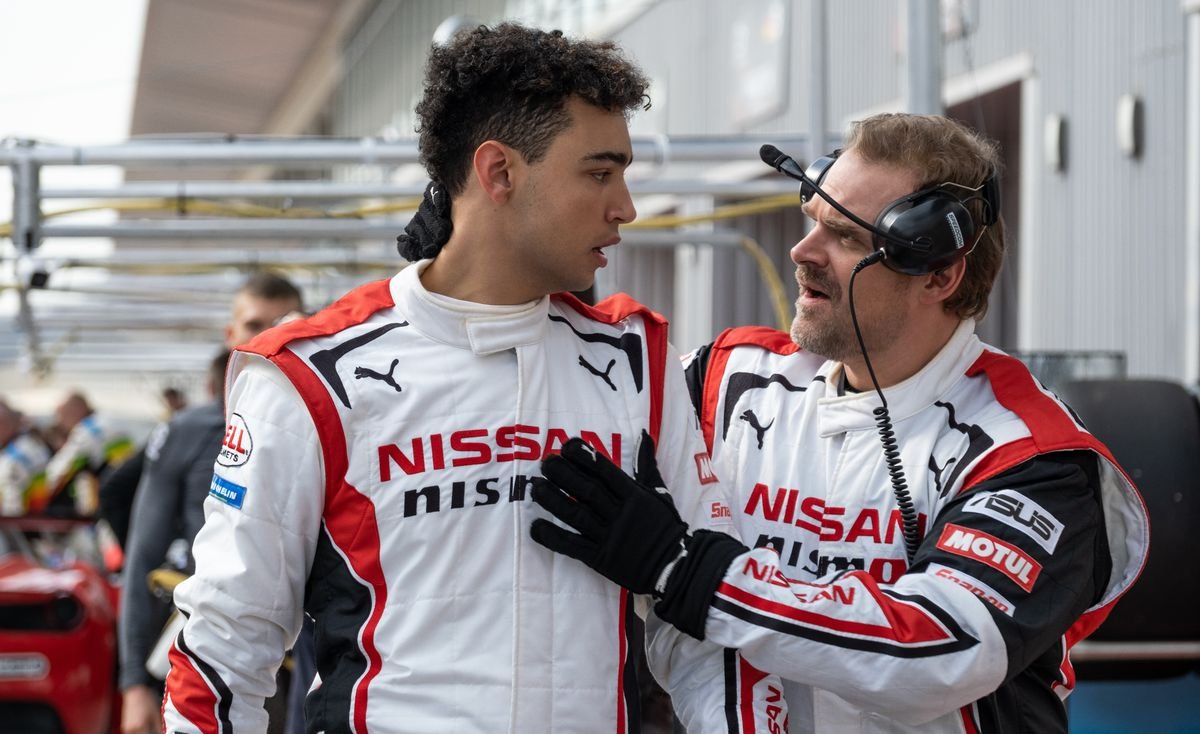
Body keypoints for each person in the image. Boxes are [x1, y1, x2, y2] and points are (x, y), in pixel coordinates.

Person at [162, 23, 778, 733]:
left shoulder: (635, 363)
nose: (626, 207)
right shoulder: (311, 376)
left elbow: (705, 627)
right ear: (499, 173)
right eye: (600, 173)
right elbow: (224, 642)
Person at [530, 113, 1150, 733]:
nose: (802, 252)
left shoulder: (1029, 452)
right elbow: (563, 386)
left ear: (939, 274)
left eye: (848, 237)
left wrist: (688, 571)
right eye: (813, 221)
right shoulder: (729, 382)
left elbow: (937, 652)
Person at [120, 272, 304, 734]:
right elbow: (142, 554)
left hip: (305, 664)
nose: (269, 335)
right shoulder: (186, 431)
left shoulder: (334, 423)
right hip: (205, 651)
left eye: (284, 321)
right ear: (230, 335)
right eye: (255, 323)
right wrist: (134, 685)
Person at [34, 391, 134, 516]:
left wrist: (36, 497)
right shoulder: (109, 420)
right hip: (130, 494)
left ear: (75, 410)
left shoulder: (87, 431)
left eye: (61, 415)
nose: (60, 423)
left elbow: (59, 472)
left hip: (113, 501)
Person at [0, 399, 51, 516]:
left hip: (26, 523)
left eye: (1, 423)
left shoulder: (21, 452)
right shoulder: (15, 447)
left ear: (13, 421)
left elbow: (13, 505)